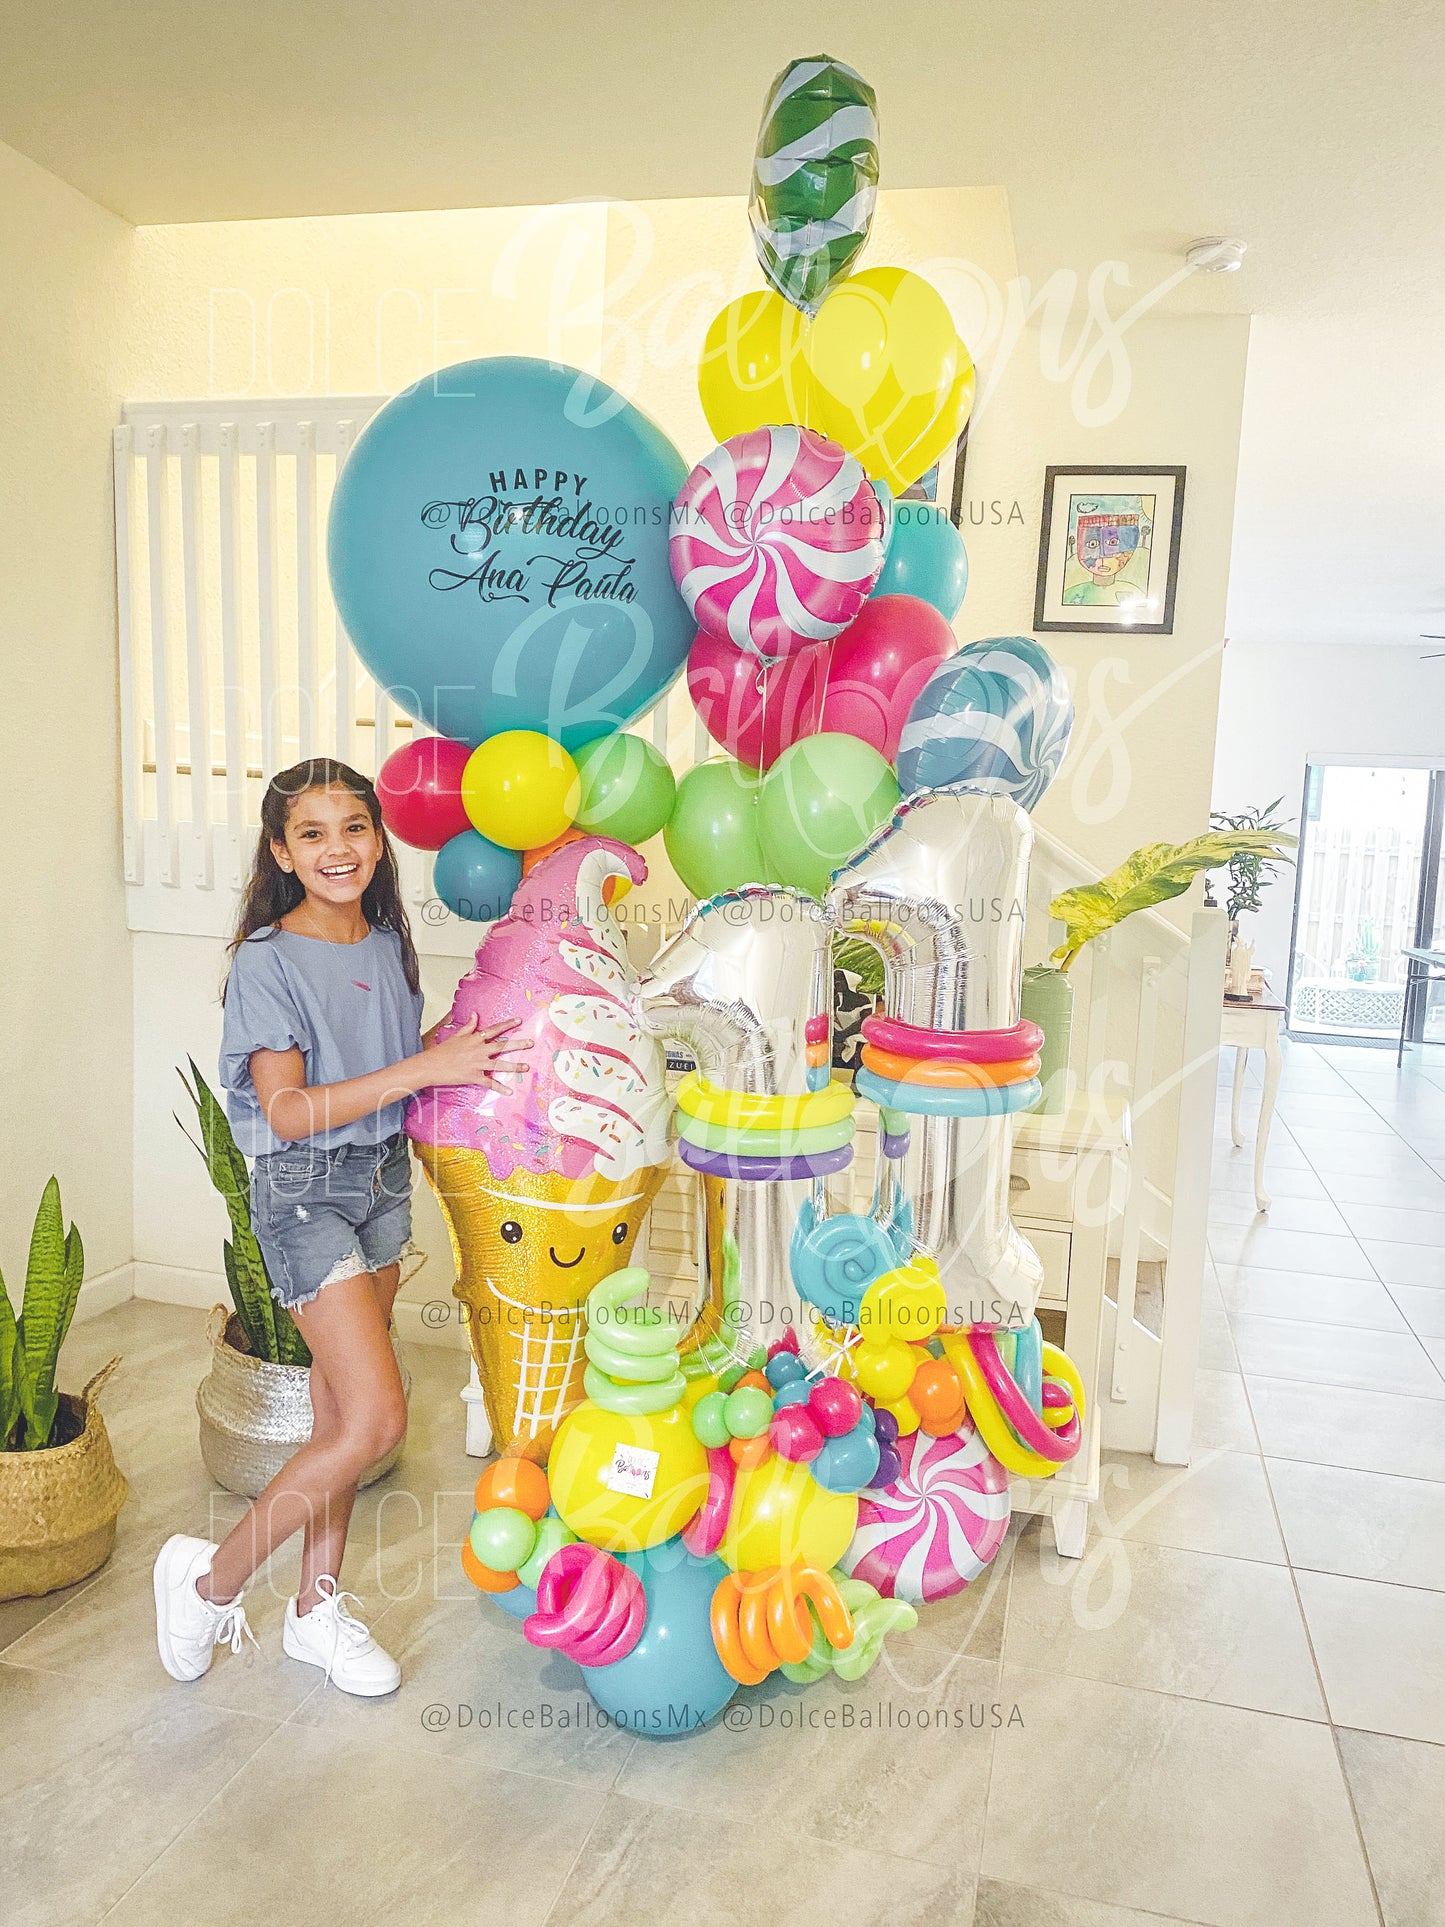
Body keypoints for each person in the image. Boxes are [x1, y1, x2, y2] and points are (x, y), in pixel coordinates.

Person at [152, 757, 526, 1696]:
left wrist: (457, 1046)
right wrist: (424, 1069)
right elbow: (286, 1111)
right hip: (305, 1192)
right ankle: (206, 1583)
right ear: (281, 851)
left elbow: (397, 1059)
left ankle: (317, 1609)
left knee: (336, 1415)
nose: (337, 848)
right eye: (311, 833)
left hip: (382, 1182)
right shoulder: (267, 962)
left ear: (377, 837)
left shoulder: (388, 943)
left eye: (353, 827)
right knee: (378, 1417)